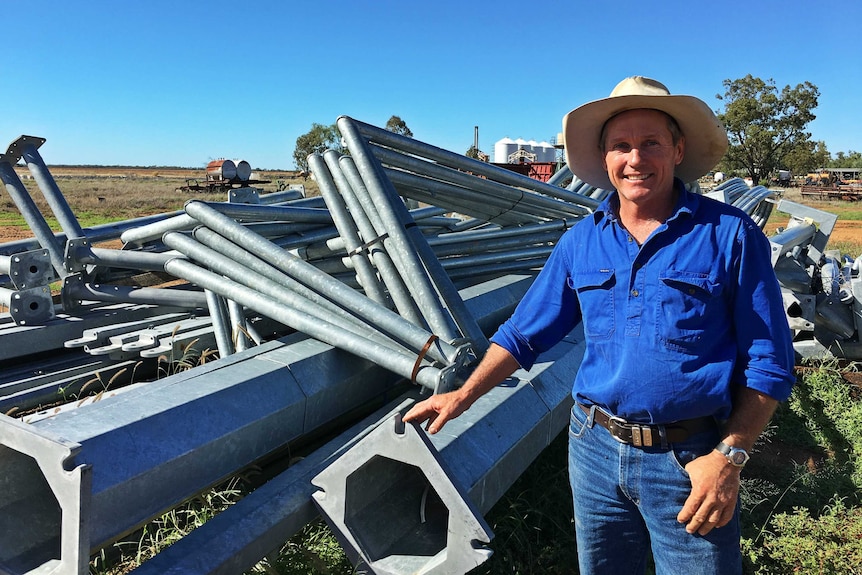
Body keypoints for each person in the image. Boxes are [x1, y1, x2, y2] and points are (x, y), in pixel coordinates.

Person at [403, 76, 795, 574]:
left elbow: (770, 361)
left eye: (650, 142)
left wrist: (730, 457)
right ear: (606, 160)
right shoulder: (581, 241)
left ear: (677, 150)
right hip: (593, 450)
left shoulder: (729, 236)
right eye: (621, 146)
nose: (635, 158)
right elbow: (525, 333)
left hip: (690, 458)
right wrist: (464, 395)